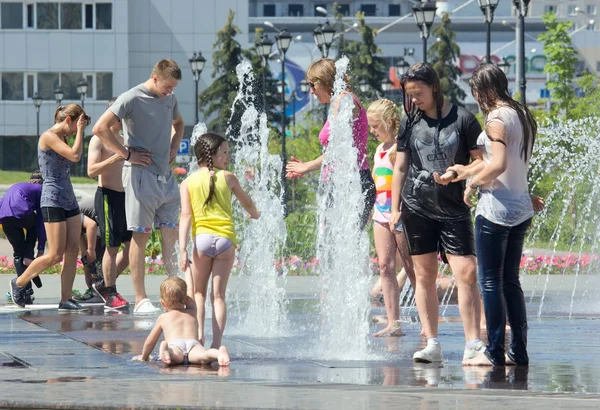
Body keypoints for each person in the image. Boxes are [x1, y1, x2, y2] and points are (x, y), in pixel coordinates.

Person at [389, 63, 484, 363]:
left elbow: (482, 162)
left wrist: (460, 174)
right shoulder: (409, 122)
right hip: (417, 207)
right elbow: (400, 166)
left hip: (454, 208)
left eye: (419, 93)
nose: (414, 99)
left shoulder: (465, 119)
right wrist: (394, 209)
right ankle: (432, 343)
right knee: (424, 275)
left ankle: (474, 345)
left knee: (467, 271)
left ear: (435, 88)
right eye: (409, 94)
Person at [459, 64, 538, 367]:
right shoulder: (522, 115)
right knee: (510, 282)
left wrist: (472, 184)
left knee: (490, 282)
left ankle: (493, 350)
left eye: (476, 91)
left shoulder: (495, 118)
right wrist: (467, 171)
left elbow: (498, 164)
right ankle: (518, 351)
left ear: (484, 90)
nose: (476, 98)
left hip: (496, 209)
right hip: (520, 205)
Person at [92, 59, 184, 314]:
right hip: (140, 176)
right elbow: (100, 128)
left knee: (170, 236)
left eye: (173, 87)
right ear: (155, 78)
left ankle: (176, 294)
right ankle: (141, 298)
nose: (170, 92)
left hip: (165, 178)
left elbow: (179, 124)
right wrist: (125, 154)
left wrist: (175, 146)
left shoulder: (170, 99)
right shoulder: (131, 97)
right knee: (140, 236)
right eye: (167, 86)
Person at [179, 132, 260, 348]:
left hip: (202, 242)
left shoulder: (187, 182)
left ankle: (198, 339)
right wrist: (255, 214)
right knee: (218, 296)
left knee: (198, 293)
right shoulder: (229, 177)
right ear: (212, 155)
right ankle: (216, 345)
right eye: (224, 153)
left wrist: (182, 249)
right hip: (225, 241)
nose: (227, 157)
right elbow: (248, 204)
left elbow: (185, 216)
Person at [9, 104, 90, 311]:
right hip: (52, 199)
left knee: (72, 249)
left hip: (69, 198)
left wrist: (78, 131)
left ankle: (65, 299)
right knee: (55, 254)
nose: (76, 131)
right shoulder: (48, 136)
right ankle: (19, 283)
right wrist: (80, 131)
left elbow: (73, 153)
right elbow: (74, 156)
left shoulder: (63, 138)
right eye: (77, 125)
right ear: (69, 120)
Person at [285, 58, 376, 229]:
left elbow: (340, 150)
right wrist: (306, 165)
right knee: (332, 247)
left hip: (353, 182)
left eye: (313, 85)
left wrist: (307, 166)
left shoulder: (345, 100)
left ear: (325, 81)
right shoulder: (337, 102)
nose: (311, 91)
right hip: (338, 182)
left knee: (344, 246)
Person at [366, 99, 416, 337]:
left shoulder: (401, 148)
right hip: (381, 212)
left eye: (376, 126)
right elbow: (377, 182)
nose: (372, 131)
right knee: (385, 266)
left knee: (410, 265)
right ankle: (393, 323)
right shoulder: (380, 150)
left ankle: (428, 324)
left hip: (401, 213)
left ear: (389, 122)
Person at [87, 97, 131, 310]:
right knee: (111, 248)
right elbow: (91, 171)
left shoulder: (126, 139)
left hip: (127, 198)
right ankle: (111, 292)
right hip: (107, 197)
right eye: (120, 114)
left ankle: (104, 286)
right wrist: (115, 158)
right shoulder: (99, 139)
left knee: (132, 250)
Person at [133, 275, 231, 366]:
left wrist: (144, 357)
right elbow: (191, 291)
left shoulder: (163, 317)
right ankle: (218, 353)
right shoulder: (192, 312)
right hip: (194, 345)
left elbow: (150, 341)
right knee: (204, 356)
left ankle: (167, 351)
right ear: (186, 299)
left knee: (175, 357)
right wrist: (188, 269)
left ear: (163, 303)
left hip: (175, 345)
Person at [0, 172, 45, 304]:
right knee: (35, 222)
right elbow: (41, 221)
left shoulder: (20, 186)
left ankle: (24, 292)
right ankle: (28, 256)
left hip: (4, 217)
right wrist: (41, 247)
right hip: (22, 213)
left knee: (17, 254)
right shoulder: (41, 189)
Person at [71, 197, 104, 304]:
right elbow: (83, 249)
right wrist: (87, 253)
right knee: (88, 255)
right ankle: (95, 287)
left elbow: (92, 226)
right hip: (96, 216)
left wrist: (91, 249)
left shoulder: (71, 216)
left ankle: (99, 289)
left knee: (95, 253)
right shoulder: (73, 220)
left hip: (101, 217)